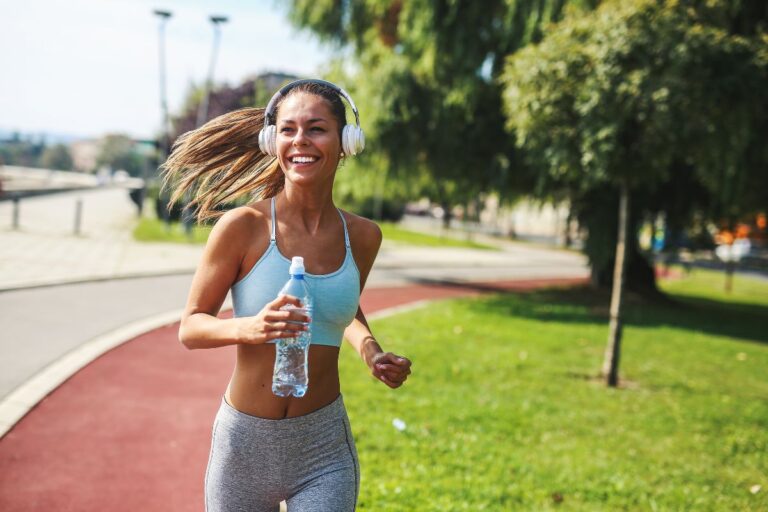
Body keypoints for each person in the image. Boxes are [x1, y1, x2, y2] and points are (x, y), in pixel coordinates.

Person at [162, 79, 412, 511]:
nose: (301, 141)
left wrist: (371, 351)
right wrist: (252, 327)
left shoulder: (364, 237)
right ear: (271, 139)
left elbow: (344, 307)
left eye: (316, 128)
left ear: (346, 140)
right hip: (244, 445)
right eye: (288, 129)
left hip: (322, 447)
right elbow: (191, 326)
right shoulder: (243, 227)